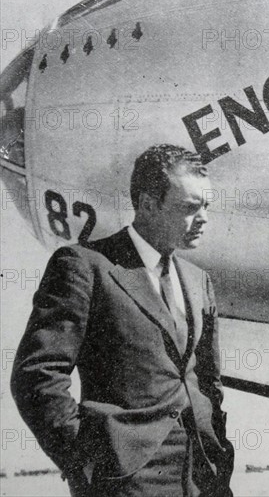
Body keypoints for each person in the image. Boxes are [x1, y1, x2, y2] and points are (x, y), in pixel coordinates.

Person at [11, 144, 234, 497]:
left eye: (206, 206)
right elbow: (37, 376)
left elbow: (209, 382)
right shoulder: (85, 266)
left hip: (202, 478)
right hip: (123, 482)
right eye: (190, 208)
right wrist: (86, 462)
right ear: (148, 204)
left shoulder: (198, 280)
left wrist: (219, 457)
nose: (204, 218)